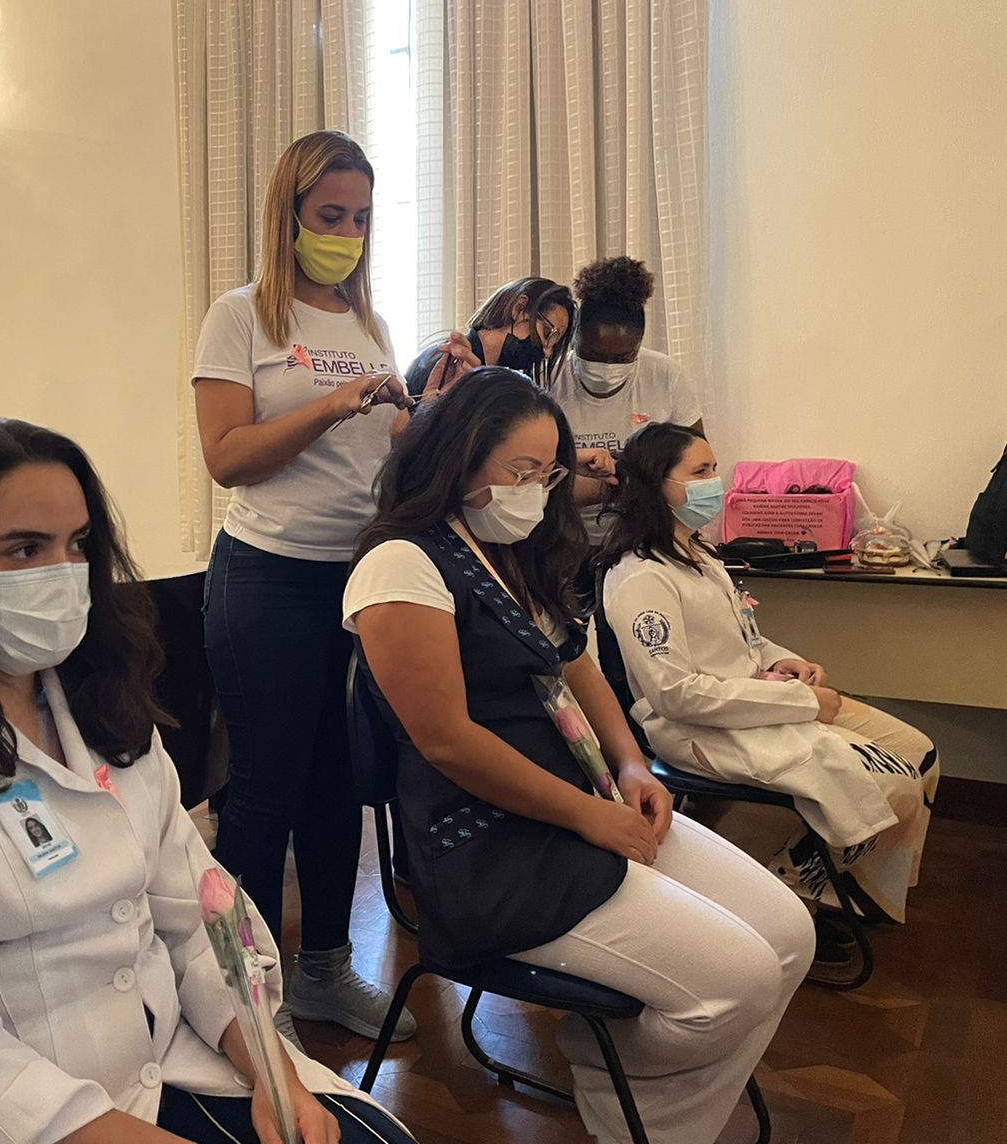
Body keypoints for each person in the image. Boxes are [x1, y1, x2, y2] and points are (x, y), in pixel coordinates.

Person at [0, 419, 417, 1144]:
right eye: (25, 549)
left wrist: (275, 1074)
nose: (64, 572)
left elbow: (200, 923)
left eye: (79, 544)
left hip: (159, 1070)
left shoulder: (105, 718)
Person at [346, 367, 812, 1144]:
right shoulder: (402, 564)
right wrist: (589, 817)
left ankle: (622, 1080)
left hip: (580, 801)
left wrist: (630, 766)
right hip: (490, 847)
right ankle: (633, 1110)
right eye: (521, 471)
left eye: (549, 474)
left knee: (790, 937)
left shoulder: (505, 550)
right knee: (740, 982)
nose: (537, 491)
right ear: (460, 458)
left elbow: (577, 664)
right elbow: (446, 740)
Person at [191, 130, 412, 1044]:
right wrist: (330, 405)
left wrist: (426, 416)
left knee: (336, 785)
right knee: (266, 789)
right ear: (288, 216)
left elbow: (381, 461)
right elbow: (226, 458)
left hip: (352, 583)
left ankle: (323, 969)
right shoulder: (240, 316)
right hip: (266, 578)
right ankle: (239, 995)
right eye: (330, 216)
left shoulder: (370, 326)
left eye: (360, 218)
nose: (347, 235)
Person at [600, 423, 938, 932]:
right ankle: (797, 889)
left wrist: (785, 663)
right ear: (657, 484)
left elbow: (746, 640)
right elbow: (675, 695)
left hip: (758, 700)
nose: (715, 483)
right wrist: (804, 702)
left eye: (714, 468)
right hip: (699, 729)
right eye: (700, 471)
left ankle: (854, 889)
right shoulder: (641, 577)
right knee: (895, 781)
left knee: (920, 753)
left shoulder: (698, 555)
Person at [551, 256, 702, 540]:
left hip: (643, 537)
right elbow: (534, 480)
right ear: (574, 337)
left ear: (639, 344)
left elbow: (696, 465)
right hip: (563, 539)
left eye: (622, 358)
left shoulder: (665, 376)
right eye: (593, 355)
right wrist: (622, 483)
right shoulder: (549, 380)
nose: (607, 368)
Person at [400, 275, 575, 412]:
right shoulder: (445, 363)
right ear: (519, 308)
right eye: (548, 334)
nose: (547, 352)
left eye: (554, 344)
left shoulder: (501, 385)